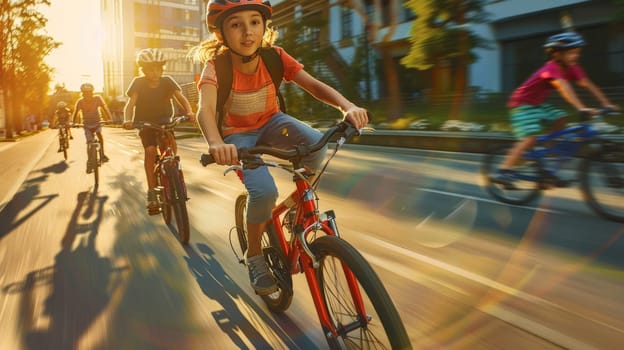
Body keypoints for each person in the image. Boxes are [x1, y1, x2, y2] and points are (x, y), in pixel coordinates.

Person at [193, 0, 369, 295]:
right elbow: (205, 110)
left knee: (315, 144)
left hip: (275, 122)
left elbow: (313, 85)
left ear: (264, 27)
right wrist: (216, 143)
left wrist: (347, 107)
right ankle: (254, 257)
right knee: (264, 192)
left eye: (254, 22)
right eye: (236, 24)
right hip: (238, 136)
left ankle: (296, 208)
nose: (248, 32)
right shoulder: (216, 68)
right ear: (221, 35)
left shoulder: (275, 57)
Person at [491, 31, 619, 188]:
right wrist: (581, 107)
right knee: (530, 138)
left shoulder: (573, 68)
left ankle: (544, 159)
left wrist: (606, 103)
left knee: (562, 117)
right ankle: (503, 171)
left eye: (577, 52)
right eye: (571, 52)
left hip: (538, 104)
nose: (575, 56)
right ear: (557, 54)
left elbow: (589, 84)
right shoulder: (550, 68)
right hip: (521, 104)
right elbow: (564, 88)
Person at [122, 48, 196, 215]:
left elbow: (181, 98)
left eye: (157, 68)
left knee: (170, 147)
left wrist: (189, 111)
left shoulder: (168, 81)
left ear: (162, 69)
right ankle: (152, 193)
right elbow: (130, 105)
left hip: (165, 122)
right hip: (145, 124)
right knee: (149, 151)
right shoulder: (138, 83)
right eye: (149, 69)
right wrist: (127, 120)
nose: (154, 73)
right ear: (143, 69)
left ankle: (173, 171)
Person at [72, 83, 113, 172]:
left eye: (89, 93)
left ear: (92, 92)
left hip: (97, 123)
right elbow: (76, 113)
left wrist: (110, 118)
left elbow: (105, 108)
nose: (87, 95)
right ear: (82, 93)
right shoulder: (80, 101)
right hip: (86, 125)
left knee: (99, 134)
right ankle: (90, 161)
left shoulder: (97, 98)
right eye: (85, 93)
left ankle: (102, 154)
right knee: (89, 142)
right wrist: (73, 122)